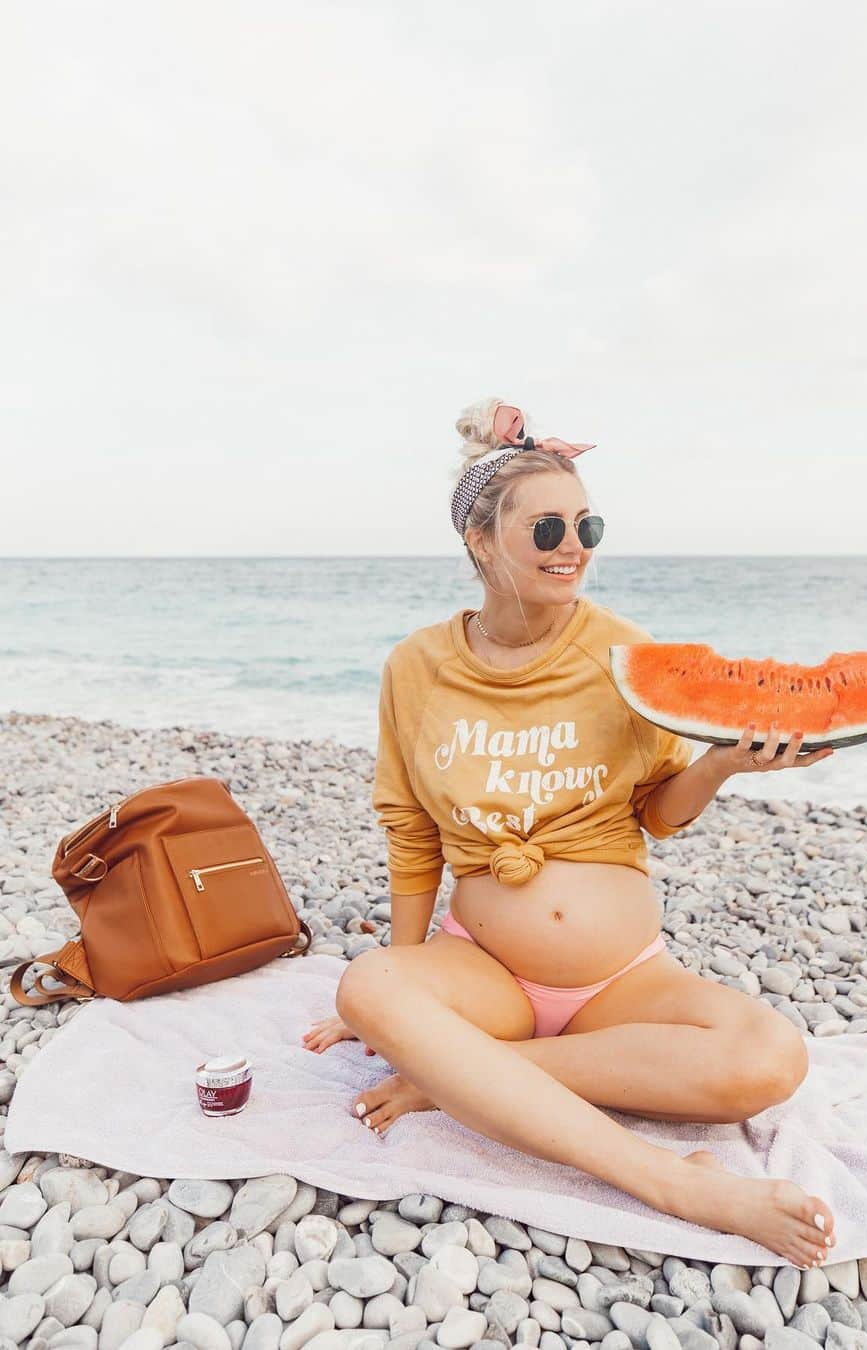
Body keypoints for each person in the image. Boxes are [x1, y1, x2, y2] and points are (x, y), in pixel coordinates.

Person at [304, 397, 837, 1266]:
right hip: (486, 972)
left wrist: (721, 765)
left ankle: (461, 1083)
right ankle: (674, 1181)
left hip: (620, 985)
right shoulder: (416, 666)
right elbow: (410, 832)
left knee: (771, 1058)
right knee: (366, 985)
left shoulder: (622, 652)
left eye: (587, 524)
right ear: (480, 540)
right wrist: (396, 996)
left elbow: (659, 812)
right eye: (549, 527)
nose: (574, 546)